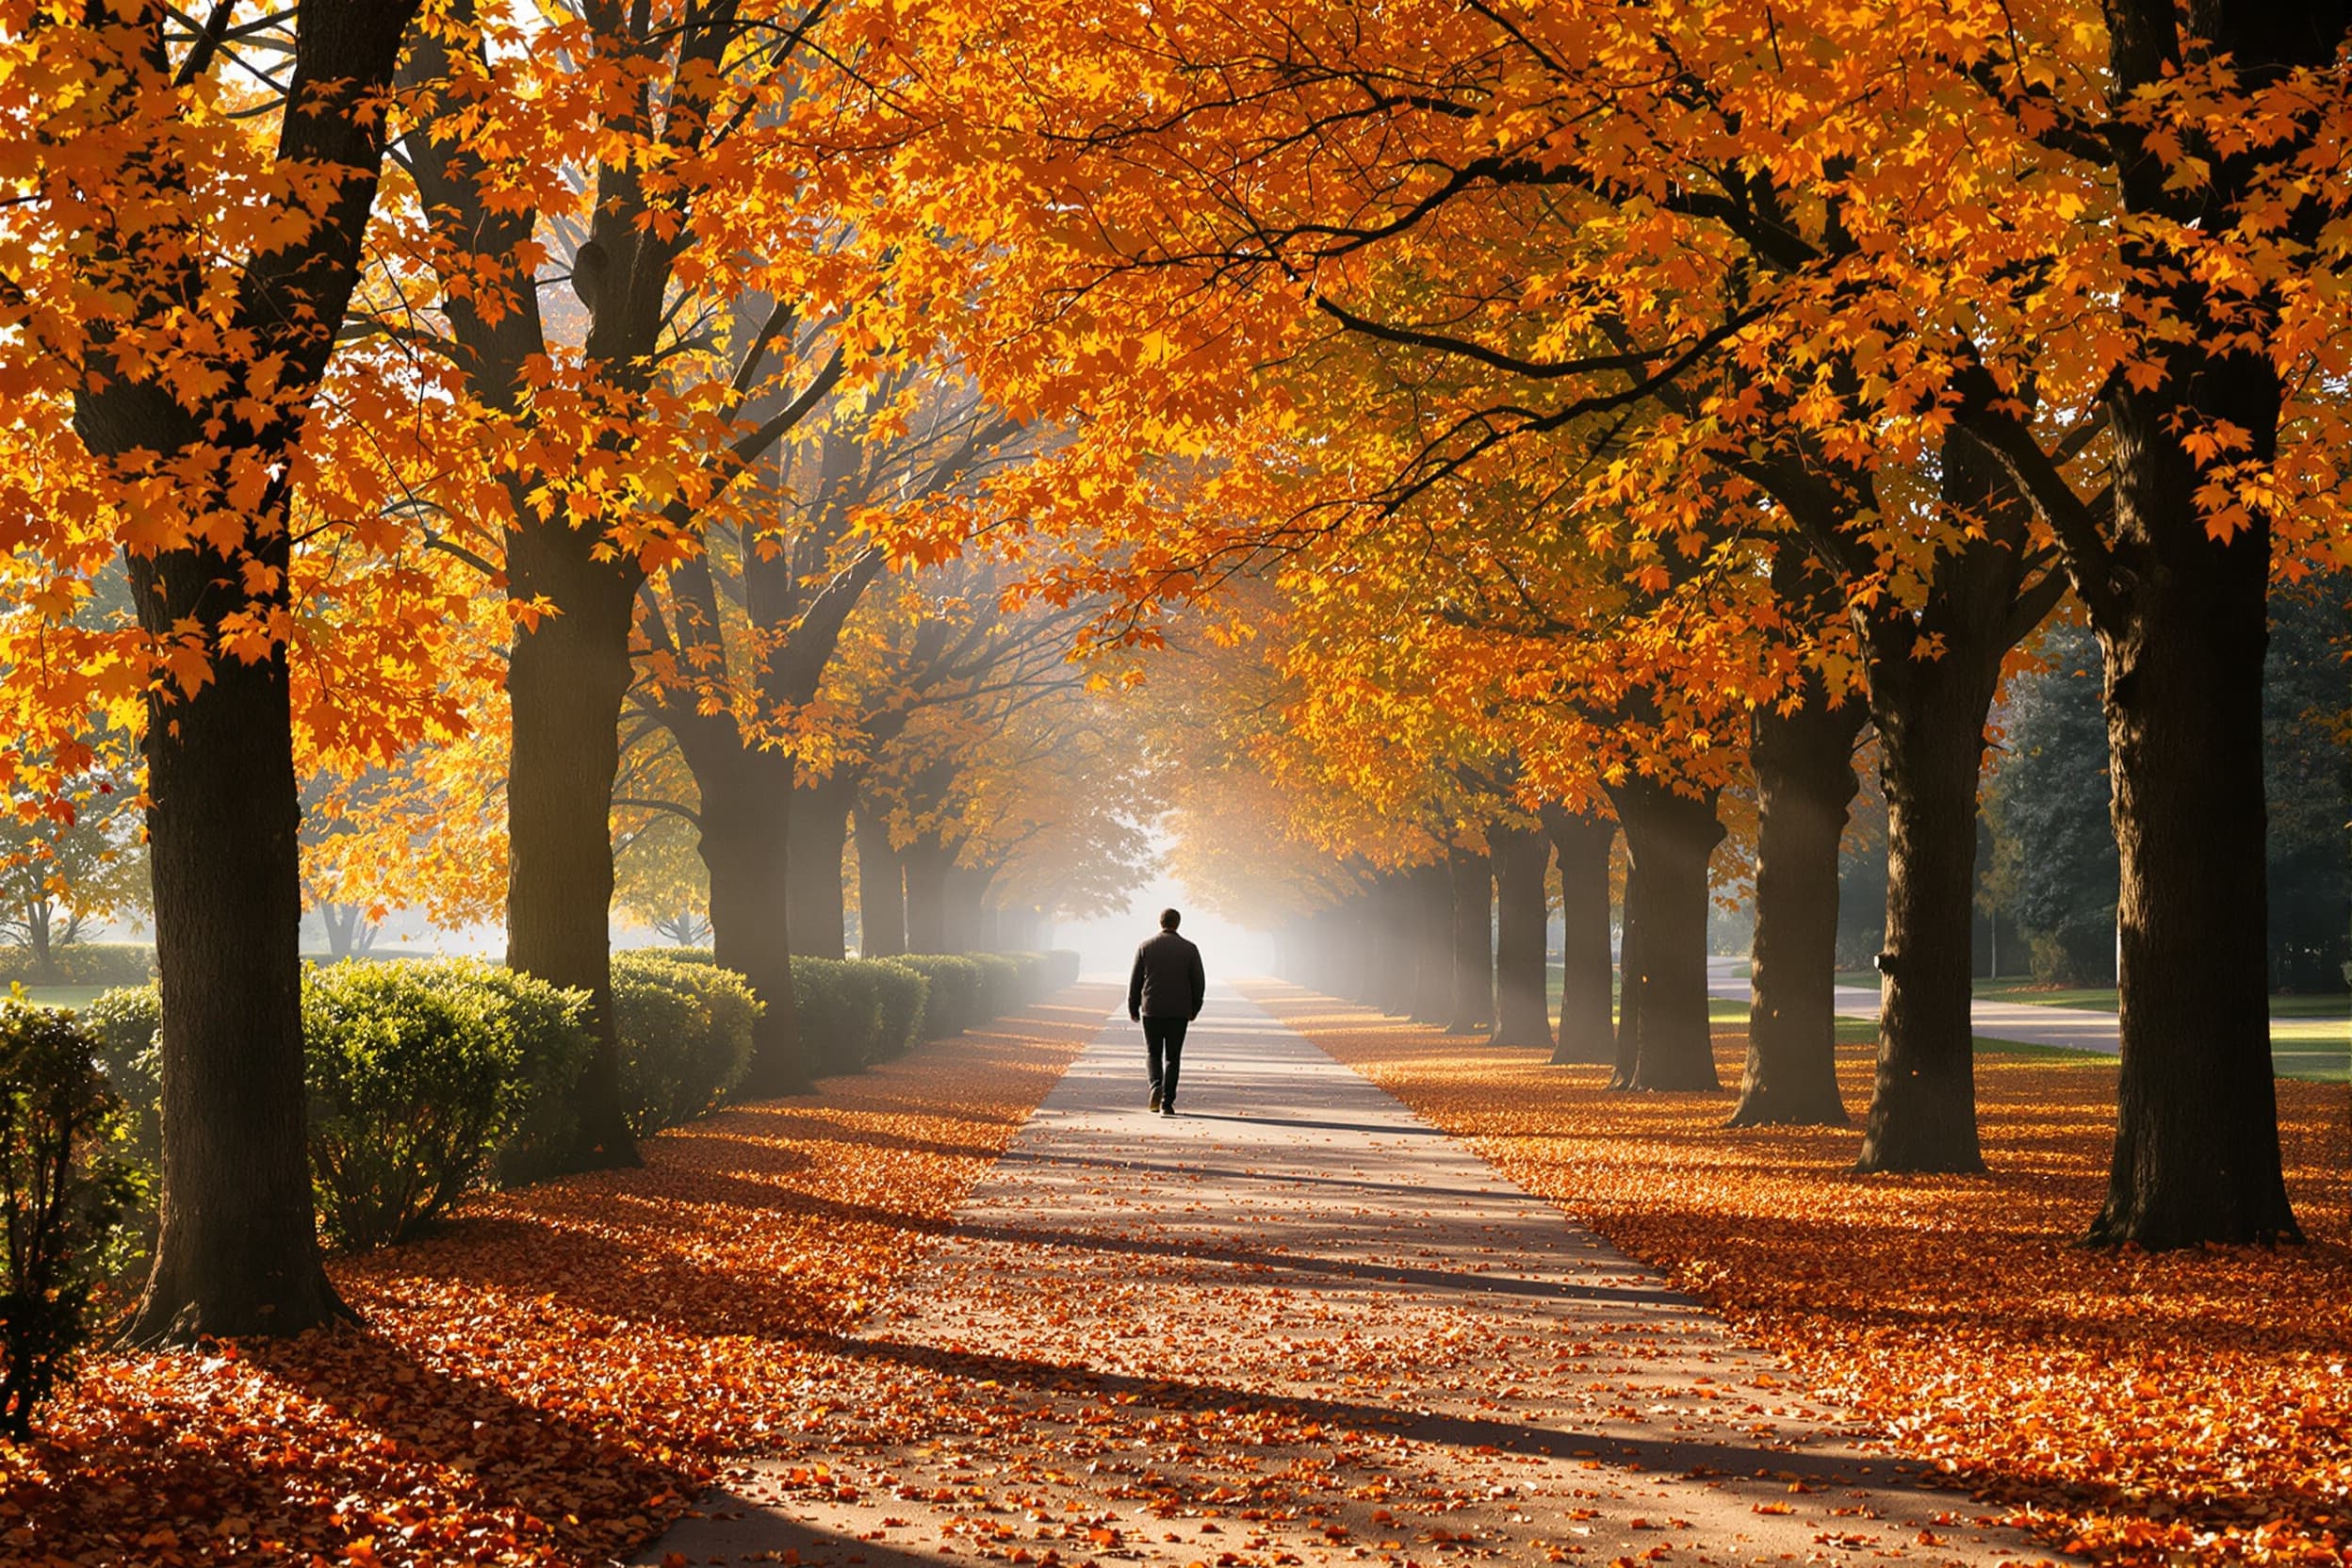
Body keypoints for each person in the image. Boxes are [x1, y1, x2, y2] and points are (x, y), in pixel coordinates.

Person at [1127, 907, 1204, 1116]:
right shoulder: (1190, 949)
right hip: (1179, 1011)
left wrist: (1133, 1007)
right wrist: (1195, 1008)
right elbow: (1198, 982)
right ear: (1177, 923)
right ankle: (1167, 1103)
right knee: (1172, 1057)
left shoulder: (1145, 947)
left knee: (1152, 1052)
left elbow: (1136, 981)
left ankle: (1155, 1086)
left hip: (1151, 1009)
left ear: (1160, 922)